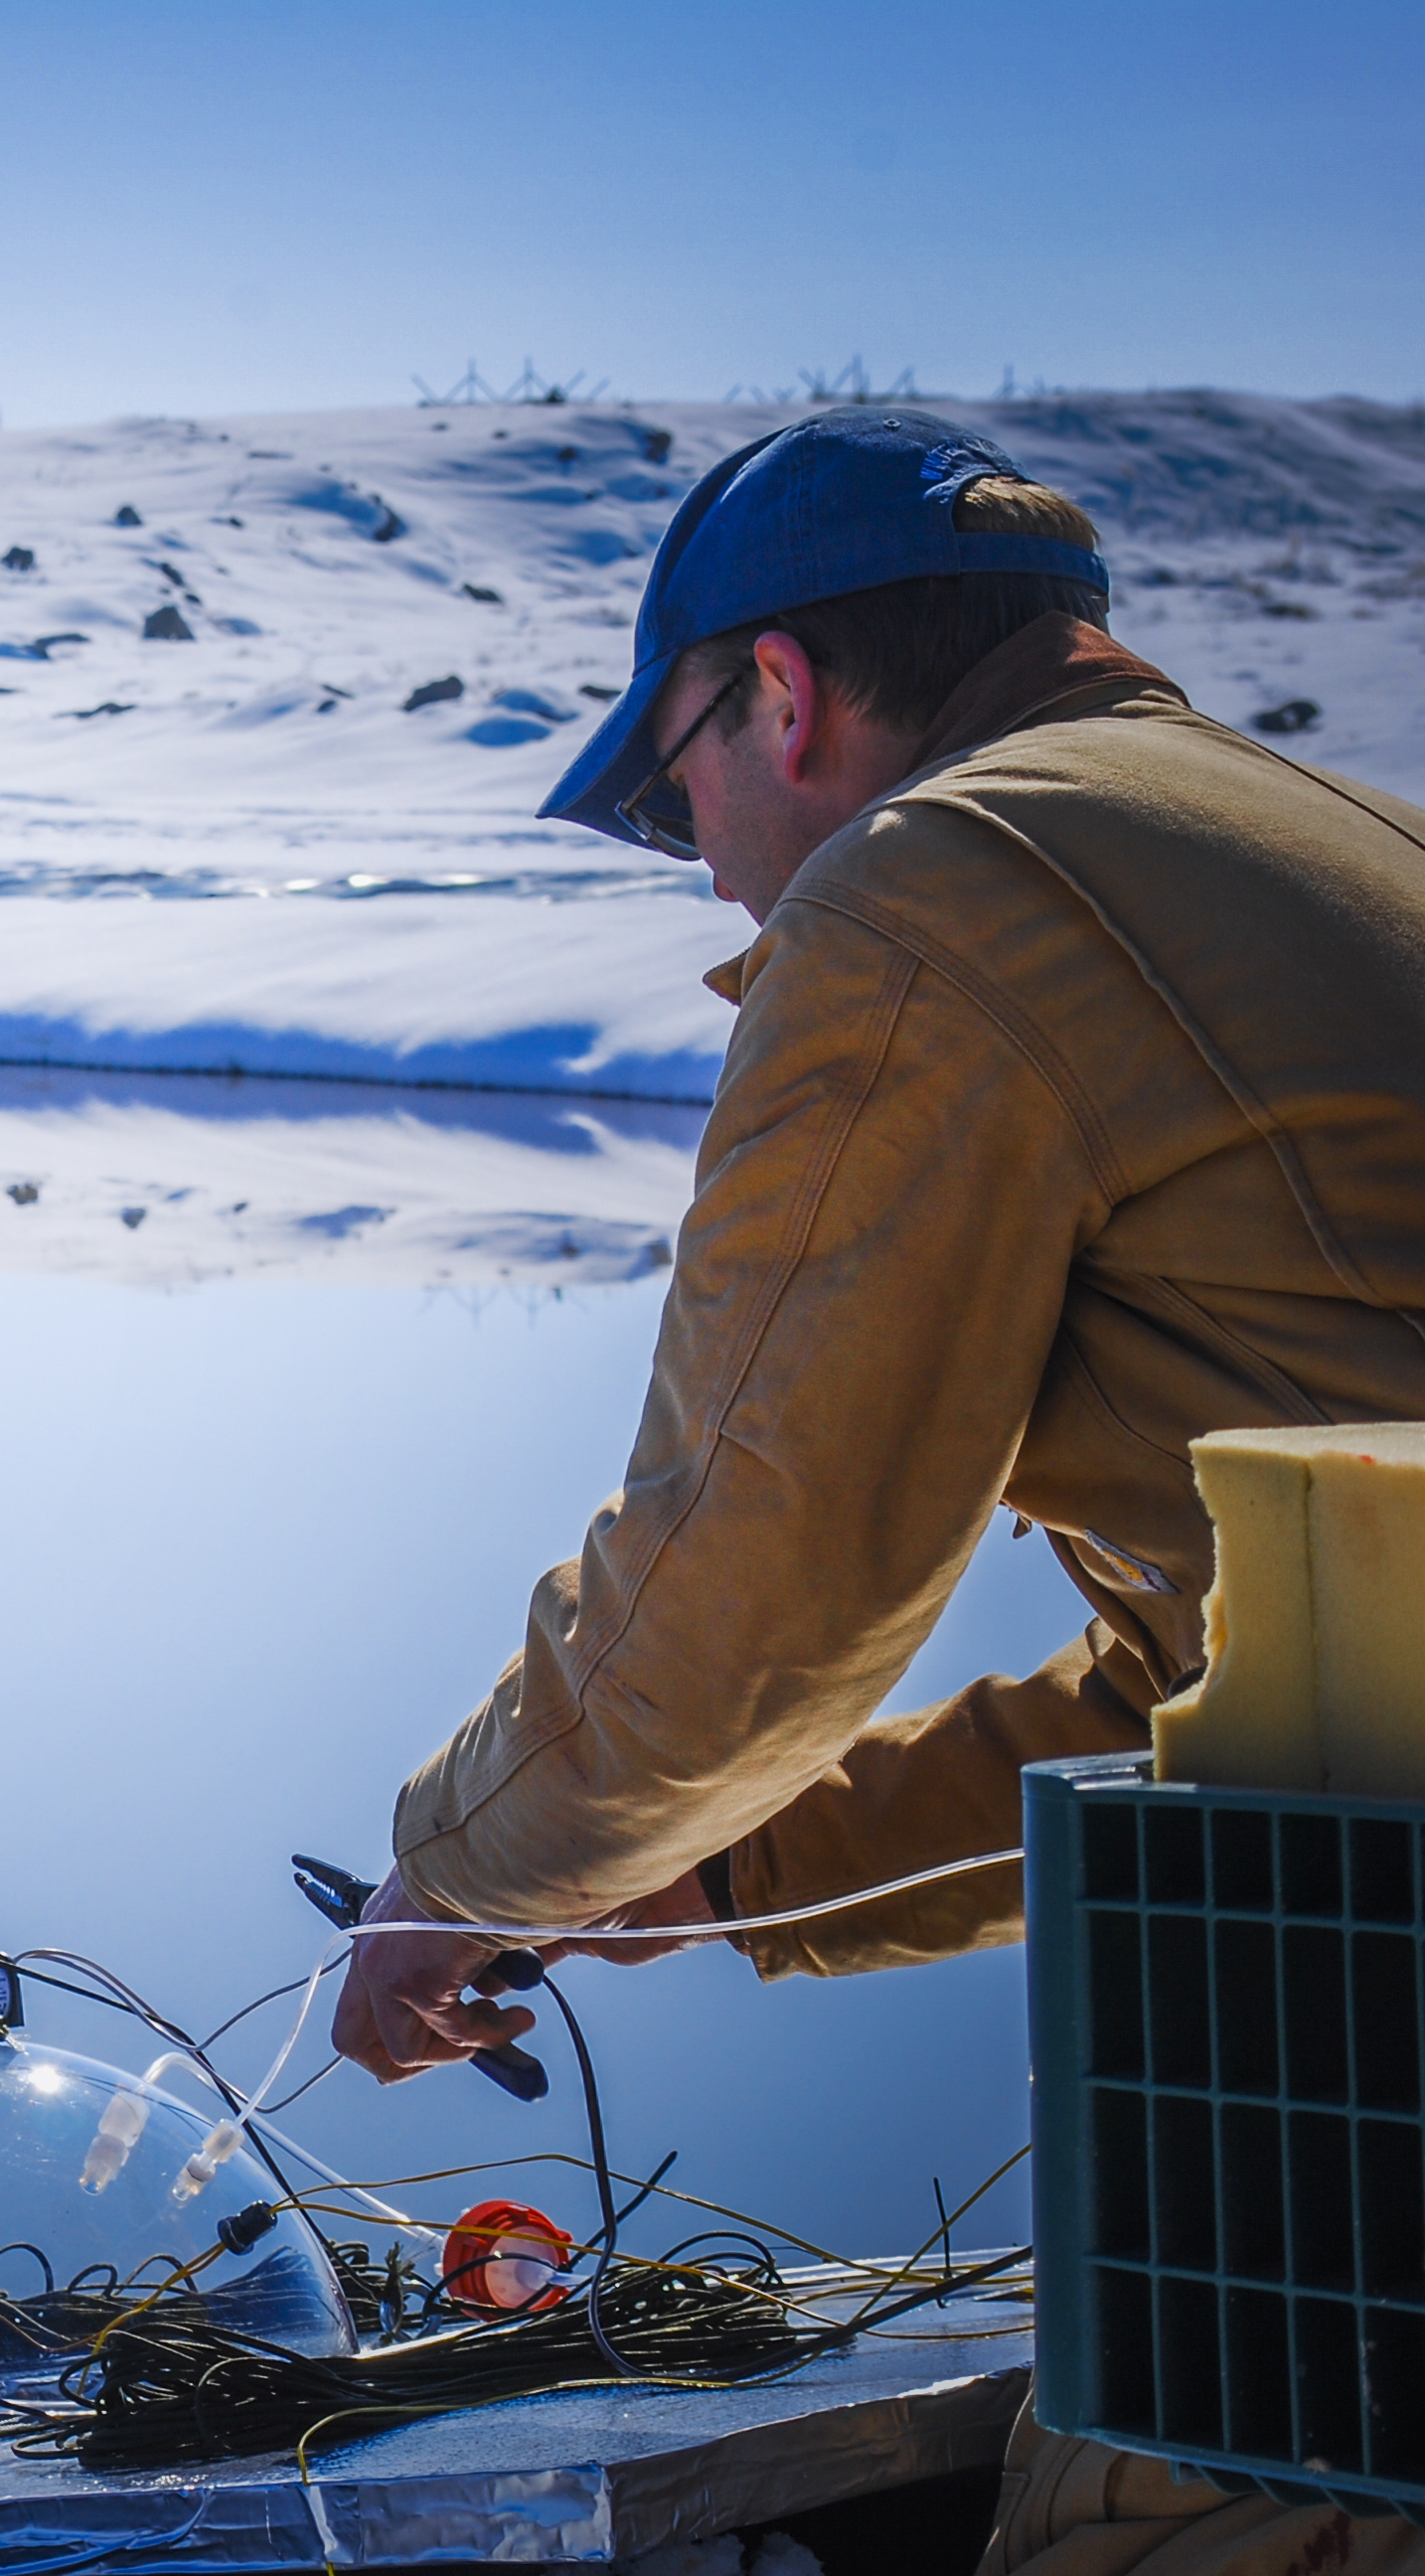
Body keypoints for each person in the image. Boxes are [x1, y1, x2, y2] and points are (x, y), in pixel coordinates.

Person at [323, 408, 1425, 2575]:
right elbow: (1207, 1685)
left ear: (786, 698)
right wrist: (727, 1877)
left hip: (1371, 2059)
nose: (713, 869)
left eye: (677, 790)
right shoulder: (1336, 837)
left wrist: (461, 1871)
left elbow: (756, 1582)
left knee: (1168, 2520)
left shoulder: (938, 892)